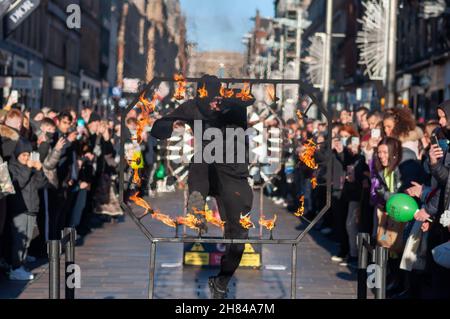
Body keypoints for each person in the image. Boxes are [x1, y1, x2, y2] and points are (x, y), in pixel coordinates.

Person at [151, 75, 255, 299]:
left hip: (234, 176)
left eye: (218, 98)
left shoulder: (233, 103)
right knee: (201, 161)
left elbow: (249, 99)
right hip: (207, 168)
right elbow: (165, 121)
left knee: (238, 240)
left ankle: (221, 281)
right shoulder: (192, 107)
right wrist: (165, 126)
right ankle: (197, 205)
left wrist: (226, 103)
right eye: (210, 99)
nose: (214, 103)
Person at [7, 138, 48, 280]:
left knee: (28, 239)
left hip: (31, 207)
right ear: (17, 155)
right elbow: (20, 182)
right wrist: (29, 168)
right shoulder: (13, 167)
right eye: (23, 155)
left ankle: (21, 265)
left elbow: (41, 184)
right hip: (19, 208)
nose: (26, 158)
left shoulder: (29, 168)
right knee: (20, 239)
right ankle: (15, 267)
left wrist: (39, 170)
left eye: (28, 155)